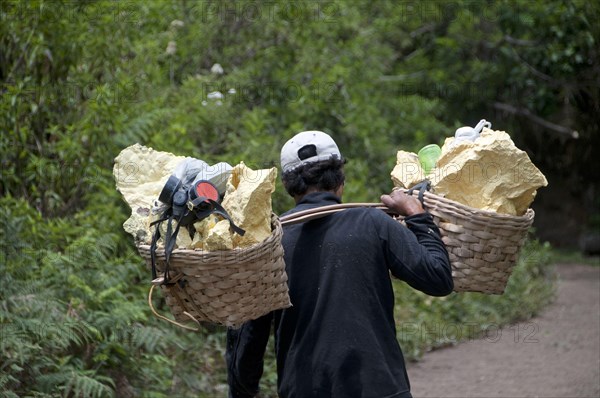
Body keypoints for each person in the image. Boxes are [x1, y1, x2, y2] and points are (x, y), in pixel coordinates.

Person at [226, 131, 454, 398]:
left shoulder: (267, 244)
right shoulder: (373, 223)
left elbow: (249, 338)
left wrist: (242, 391)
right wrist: (417, 215)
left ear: (289, 187)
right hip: (380, 388)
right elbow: (438, 279)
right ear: (340, 180)